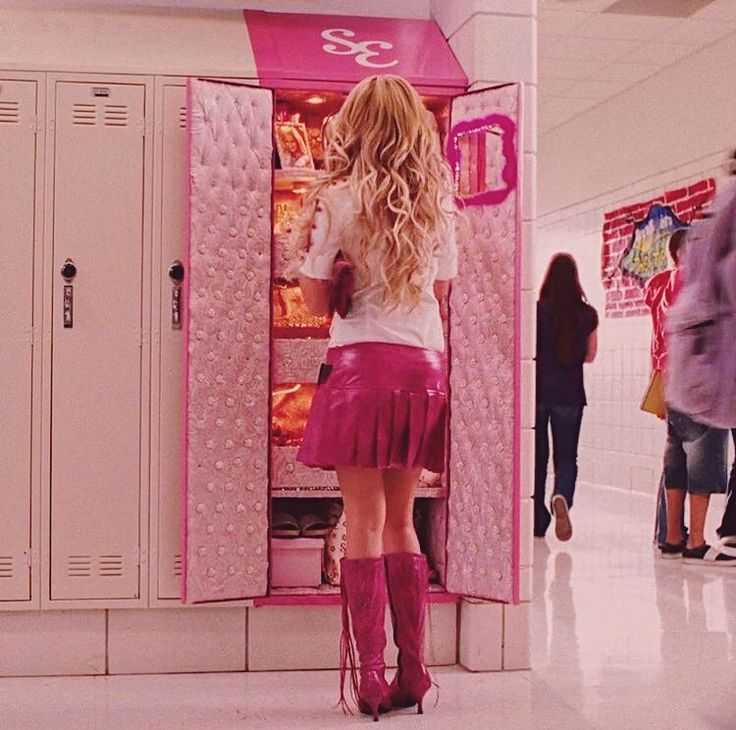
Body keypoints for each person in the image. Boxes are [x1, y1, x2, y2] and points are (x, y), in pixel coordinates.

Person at [292, 75, 457, 720]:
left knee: (359, 522)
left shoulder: (336, 198)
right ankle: (416, 671)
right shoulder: (438, 204)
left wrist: (344, 277)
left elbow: (311, 301)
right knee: (402, 519)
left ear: (352, 127)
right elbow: (440, 292)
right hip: (421, 367)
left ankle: (369, 680)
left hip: (359, 366)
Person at [650, 228, 733, 563]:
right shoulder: (705, 284)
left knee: (676, 460)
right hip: (704, 385)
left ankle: (672, 537)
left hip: (671, 382)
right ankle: (695, 541)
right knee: (703, 462)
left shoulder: (659, 286)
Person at [534, 253, 598, 541]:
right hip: (570, 394)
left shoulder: (537, 311)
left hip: (538, 393)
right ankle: (561, 496)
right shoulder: (587, 314)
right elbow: (590, 355)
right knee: (566, 457)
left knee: (537, 457)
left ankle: (537, 520)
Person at [645, 229, 688, 551]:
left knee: (674, 451)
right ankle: (676, 533)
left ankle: (666, 531)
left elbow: (657, 339)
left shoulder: (658, 285)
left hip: (666, 374)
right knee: (684, 454)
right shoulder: (682, 283)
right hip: (690, 376)